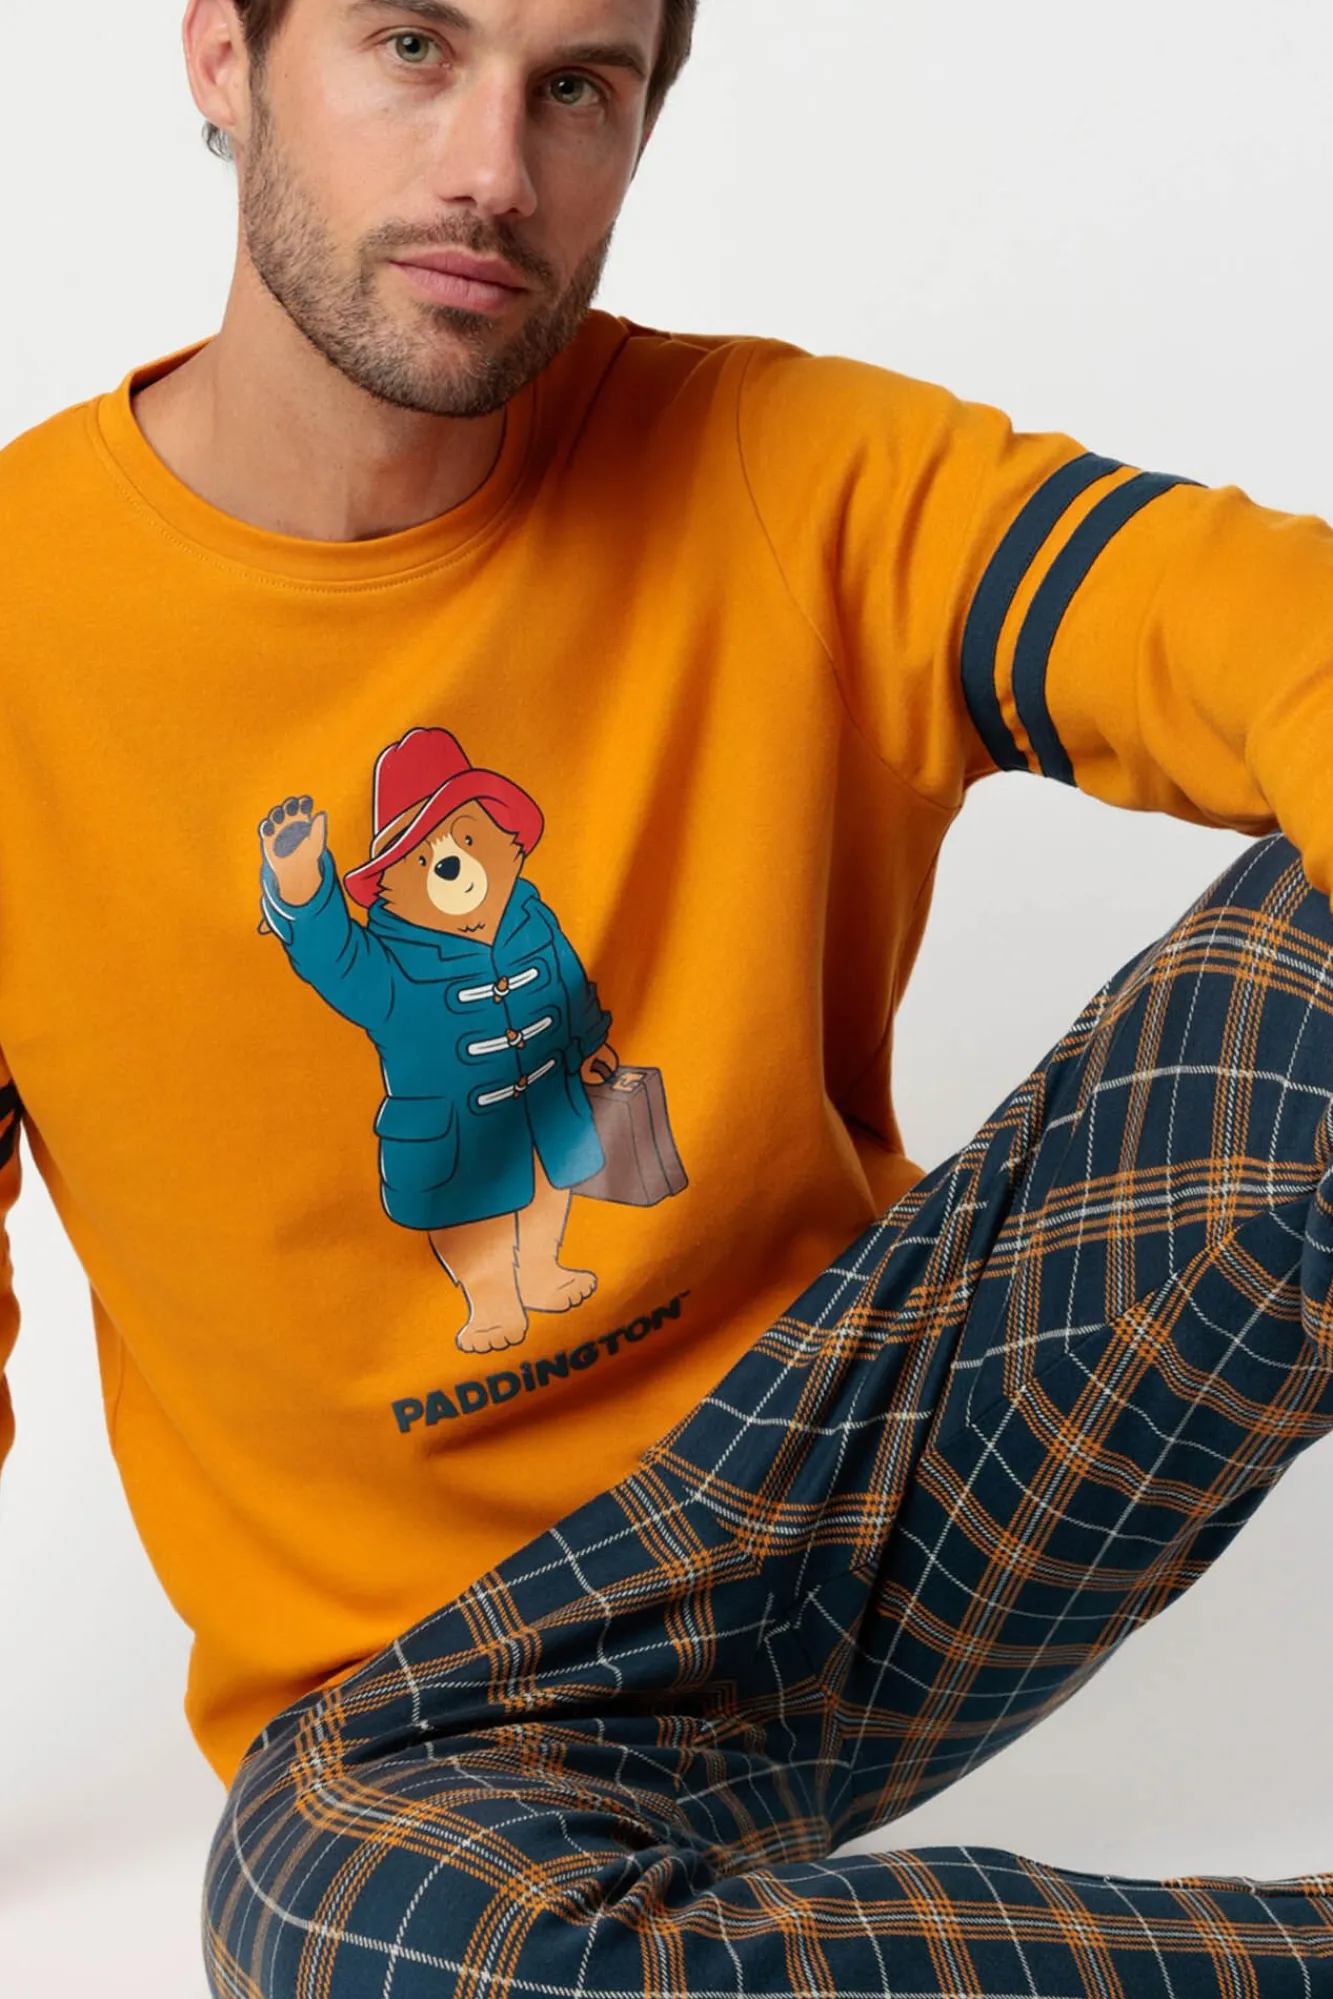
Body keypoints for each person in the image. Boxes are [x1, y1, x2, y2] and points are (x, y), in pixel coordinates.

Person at [3, 0, 1331, 1991]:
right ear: (222, 56)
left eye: (578, 87)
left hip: (895, 1484)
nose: (492, 170)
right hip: (442, 1714)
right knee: (350, 1934)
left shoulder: (780, 469)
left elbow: (1232, 620)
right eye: (413, 46)